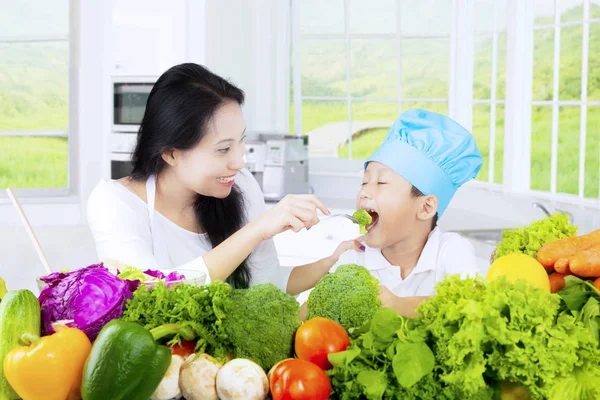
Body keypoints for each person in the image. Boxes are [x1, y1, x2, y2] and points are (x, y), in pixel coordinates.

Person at [86, 63, 334, 295]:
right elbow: (155, 293)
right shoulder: (114, 203)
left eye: (241, 141)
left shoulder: (242, 185)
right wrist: (254, 231)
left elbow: (264, 285)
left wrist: (332, 262)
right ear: (171, 153)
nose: (239, 162)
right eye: (223, 149)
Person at [306, 109, 483, 317]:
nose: (363, 192)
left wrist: (400, 305)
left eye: (381, 182)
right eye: (364, 182)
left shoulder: (450, 250)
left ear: (425, 208)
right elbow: (309, 318)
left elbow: (475, 302)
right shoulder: (354, 257)